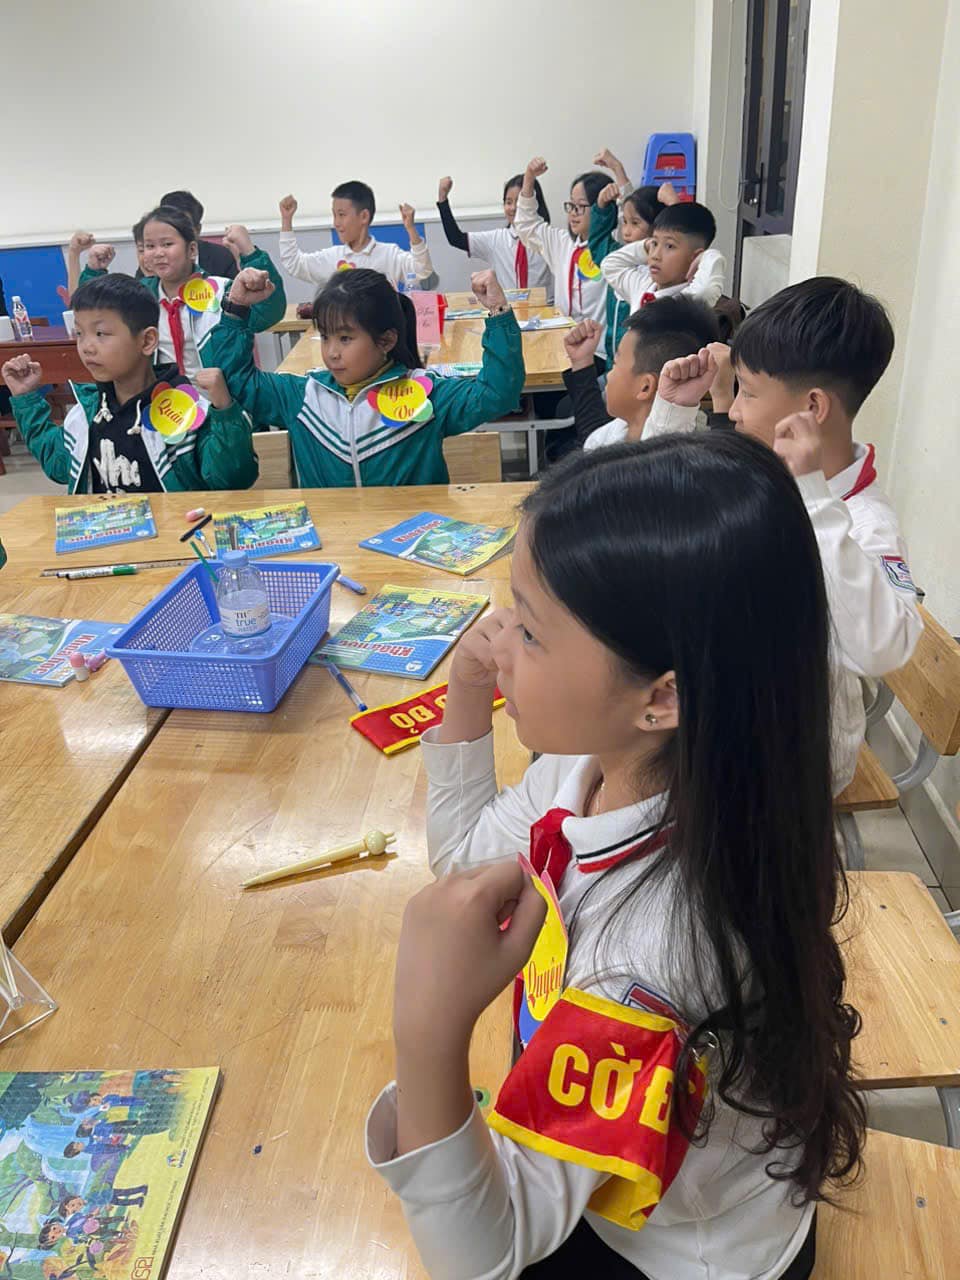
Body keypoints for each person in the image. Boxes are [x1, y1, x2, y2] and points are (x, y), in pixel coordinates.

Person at [367, 433, 863, 1279]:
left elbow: (481, 1255)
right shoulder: (607, 767)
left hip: (668, 1253)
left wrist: (427, 1031)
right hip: (629, 1166)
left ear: (662, 697)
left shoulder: (646, 966)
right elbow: (469, 874)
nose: (498, 641)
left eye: (529, 630)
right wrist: (467, 698)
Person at [658, 277, 923, 793]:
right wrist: (674, 411)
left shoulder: (864, 521)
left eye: (748, 392)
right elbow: (659, 511)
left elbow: (883, 649)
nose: (734, 410)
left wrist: (813, 499)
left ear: (812, 409)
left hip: (787, 764)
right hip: (723, 711)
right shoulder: (765, 469)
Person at [209, 266, 523, 487]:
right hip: (336, 549)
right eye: (326, 337)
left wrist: (498, 313)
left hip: (410, 549)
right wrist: (236, 308)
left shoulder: (425, 395)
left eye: (345, 338)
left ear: (386, 341)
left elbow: (496, 393)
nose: (332, 352)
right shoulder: (303, 396)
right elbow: (238, 379)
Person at [2, 274, 258, 493]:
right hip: (106, 534)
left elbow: (233, 480)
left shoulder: (186, 410)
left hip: (175, 535)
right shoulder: (86, 413)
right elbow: (58, 466)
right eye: (80, 333)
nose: (87, 346)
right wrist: (26, 399)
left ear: (147, 341)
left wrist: (225, 411)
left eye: (100, 333)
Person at [75, 207, 285, 378]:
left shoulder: (222, 290)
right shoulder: (140, 295)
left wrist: (250, 253)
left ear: (192, 250)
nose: (158, 253)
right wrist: (94, 271)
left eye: (167, 244)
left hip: (221, 402)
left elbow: (268, 314)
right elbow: (96, 311)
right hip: (163, 407)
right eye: (149, 246)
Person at [561, 298, 719, 449]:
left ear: (645, 387)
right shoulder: (611, 432)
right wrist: (582, 362)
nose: (608, 375)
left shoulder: (686, 456)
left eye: (615, 363)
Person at [514, 157, 611, 360]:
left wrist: (617, 169)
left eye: (581, 206)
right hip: (562, 345)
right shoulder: (562, 243)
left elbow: (634, 220)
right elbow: (526, 225)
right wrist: (529, 178)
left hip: (599, 352)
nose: (573, 214)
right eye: (571, 206)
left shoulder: (613, 249)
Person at [589, 159, 680, 368]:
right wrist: (602, 207)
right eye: (624, 222)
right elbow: (598, 244)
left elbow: (688, 244)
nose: (626, 232)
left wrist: (676, 206)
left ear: (657, 227)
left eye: (635, 223)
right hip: (613, 365)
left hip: (643, 368)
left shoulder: (664, 273)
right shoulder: (620, 258)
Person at [278, 181, 436, 289]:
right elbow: (294, 264)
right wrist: (286, 220)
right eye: (334, 215)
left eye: (341, 215)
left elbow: (422, 271)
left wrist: (411, 229)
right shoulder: (332, 257)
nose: (336, 223)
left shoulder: (389, 254)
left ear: (364, 216)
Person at [436, 174, 552, 296]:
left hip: (546, 307)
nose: (513, 208)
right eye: (508, 202)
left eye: (519, 202)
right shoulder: (497, 240)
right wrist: (443, 199)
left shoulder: (548, 238)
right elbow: (456, 238)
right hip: (508, 306)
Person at [601, 203, 725, 315]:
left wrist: (708, 255)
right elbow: (609, 265)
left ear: (695, 257)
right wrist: (645, 246)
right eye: (654, 243)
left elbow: (706, 290)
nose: (655, 255)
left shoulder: (687, 303)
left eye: (670, 246)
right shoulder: (643, 286)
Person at [159, 189, 239, 278]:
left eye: (183, 228)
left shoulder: (221, 258)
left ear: (197, 230)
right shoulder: (154, 258)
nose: (175, 234)